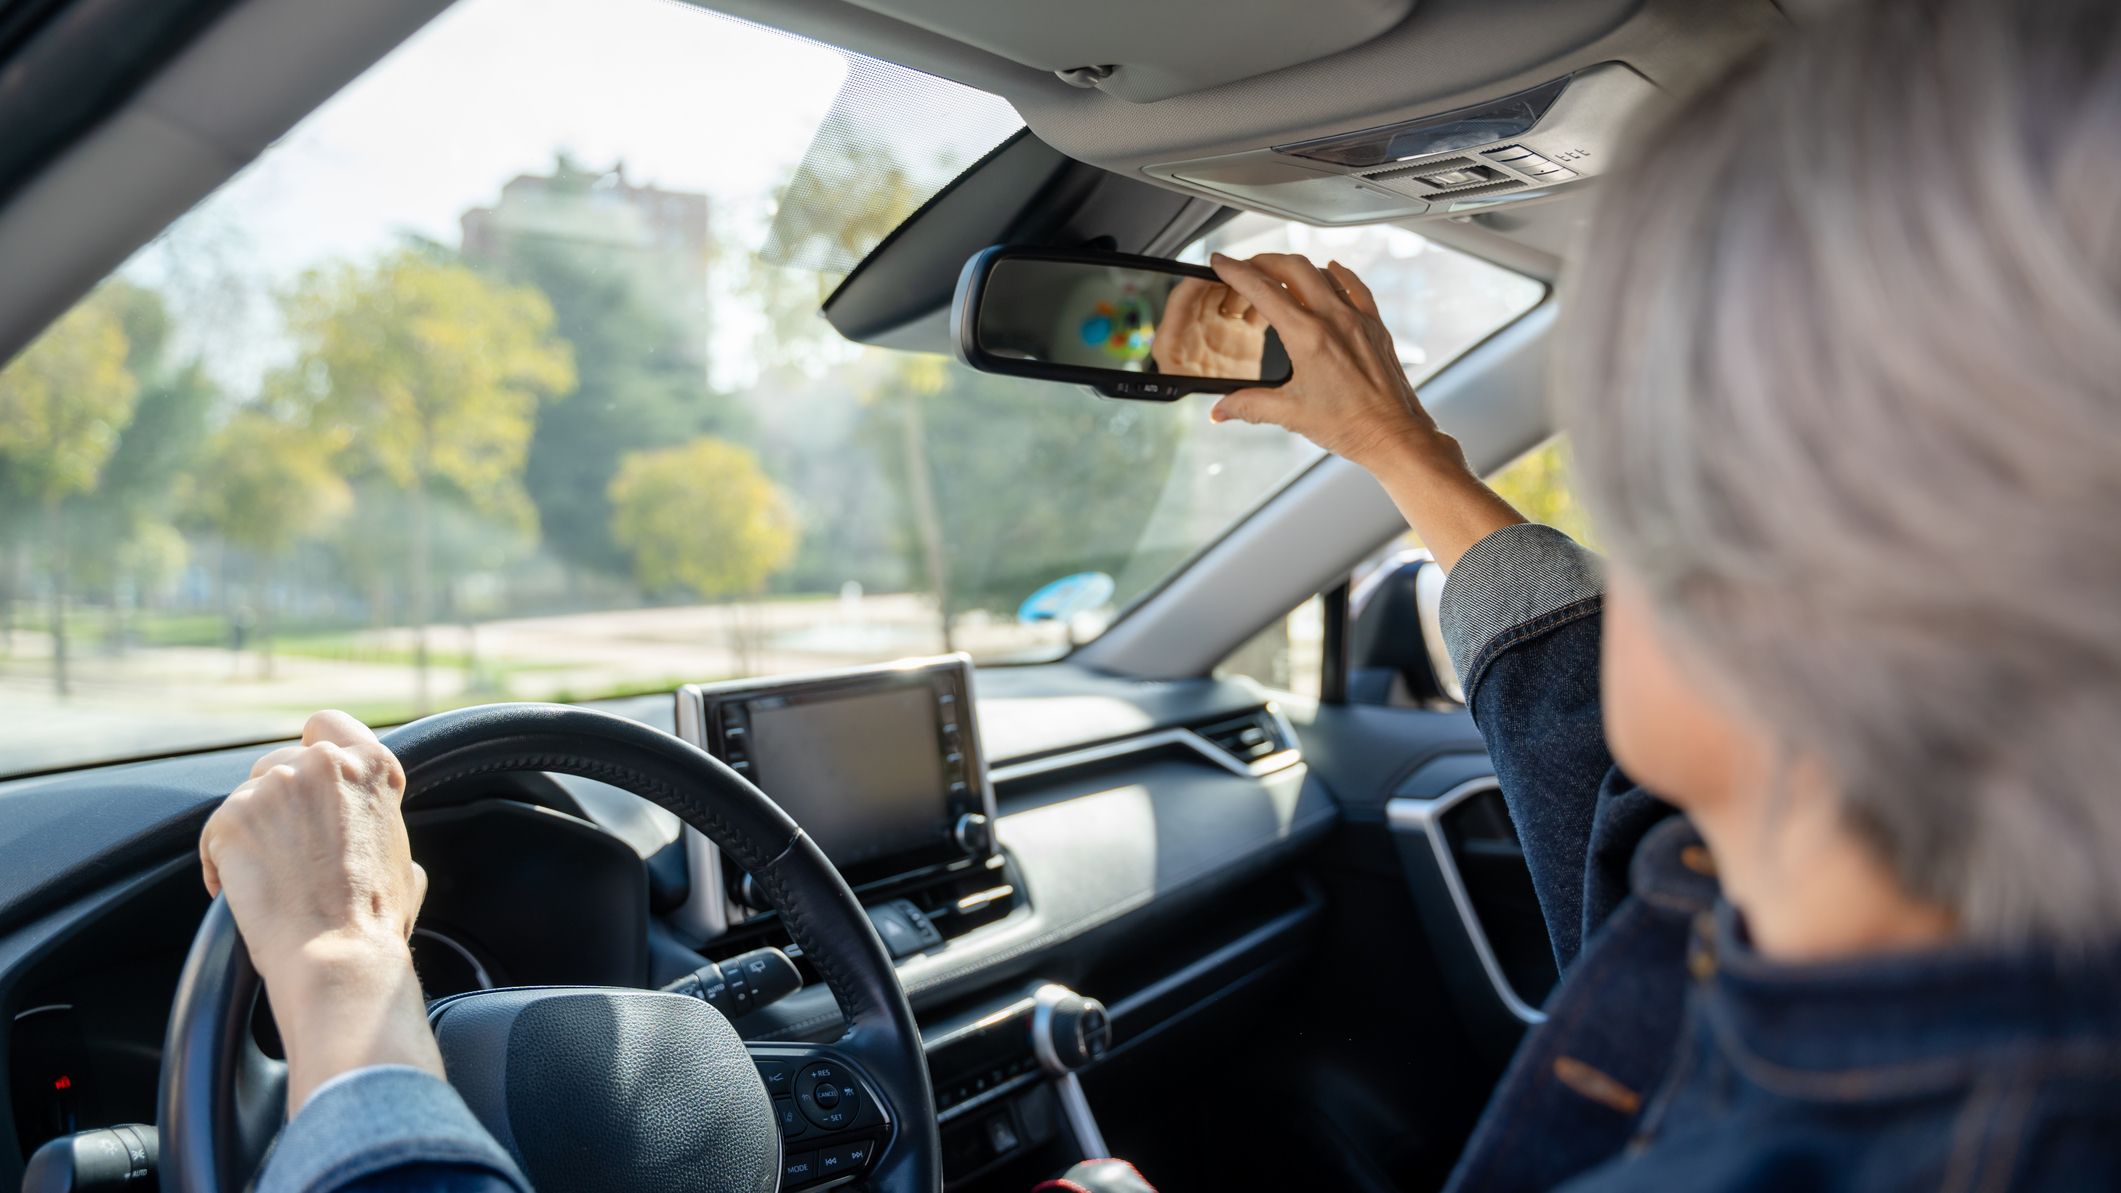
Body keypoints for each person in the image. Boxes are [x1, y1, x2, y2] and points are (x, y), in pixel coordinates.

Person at [202, 0, 2121, 1187]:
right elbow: (1615, 818)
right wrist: (1399, 459)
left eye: (1653, 479)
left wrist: (355, 998)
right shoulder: (1843, 922)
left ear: (1811, 613)